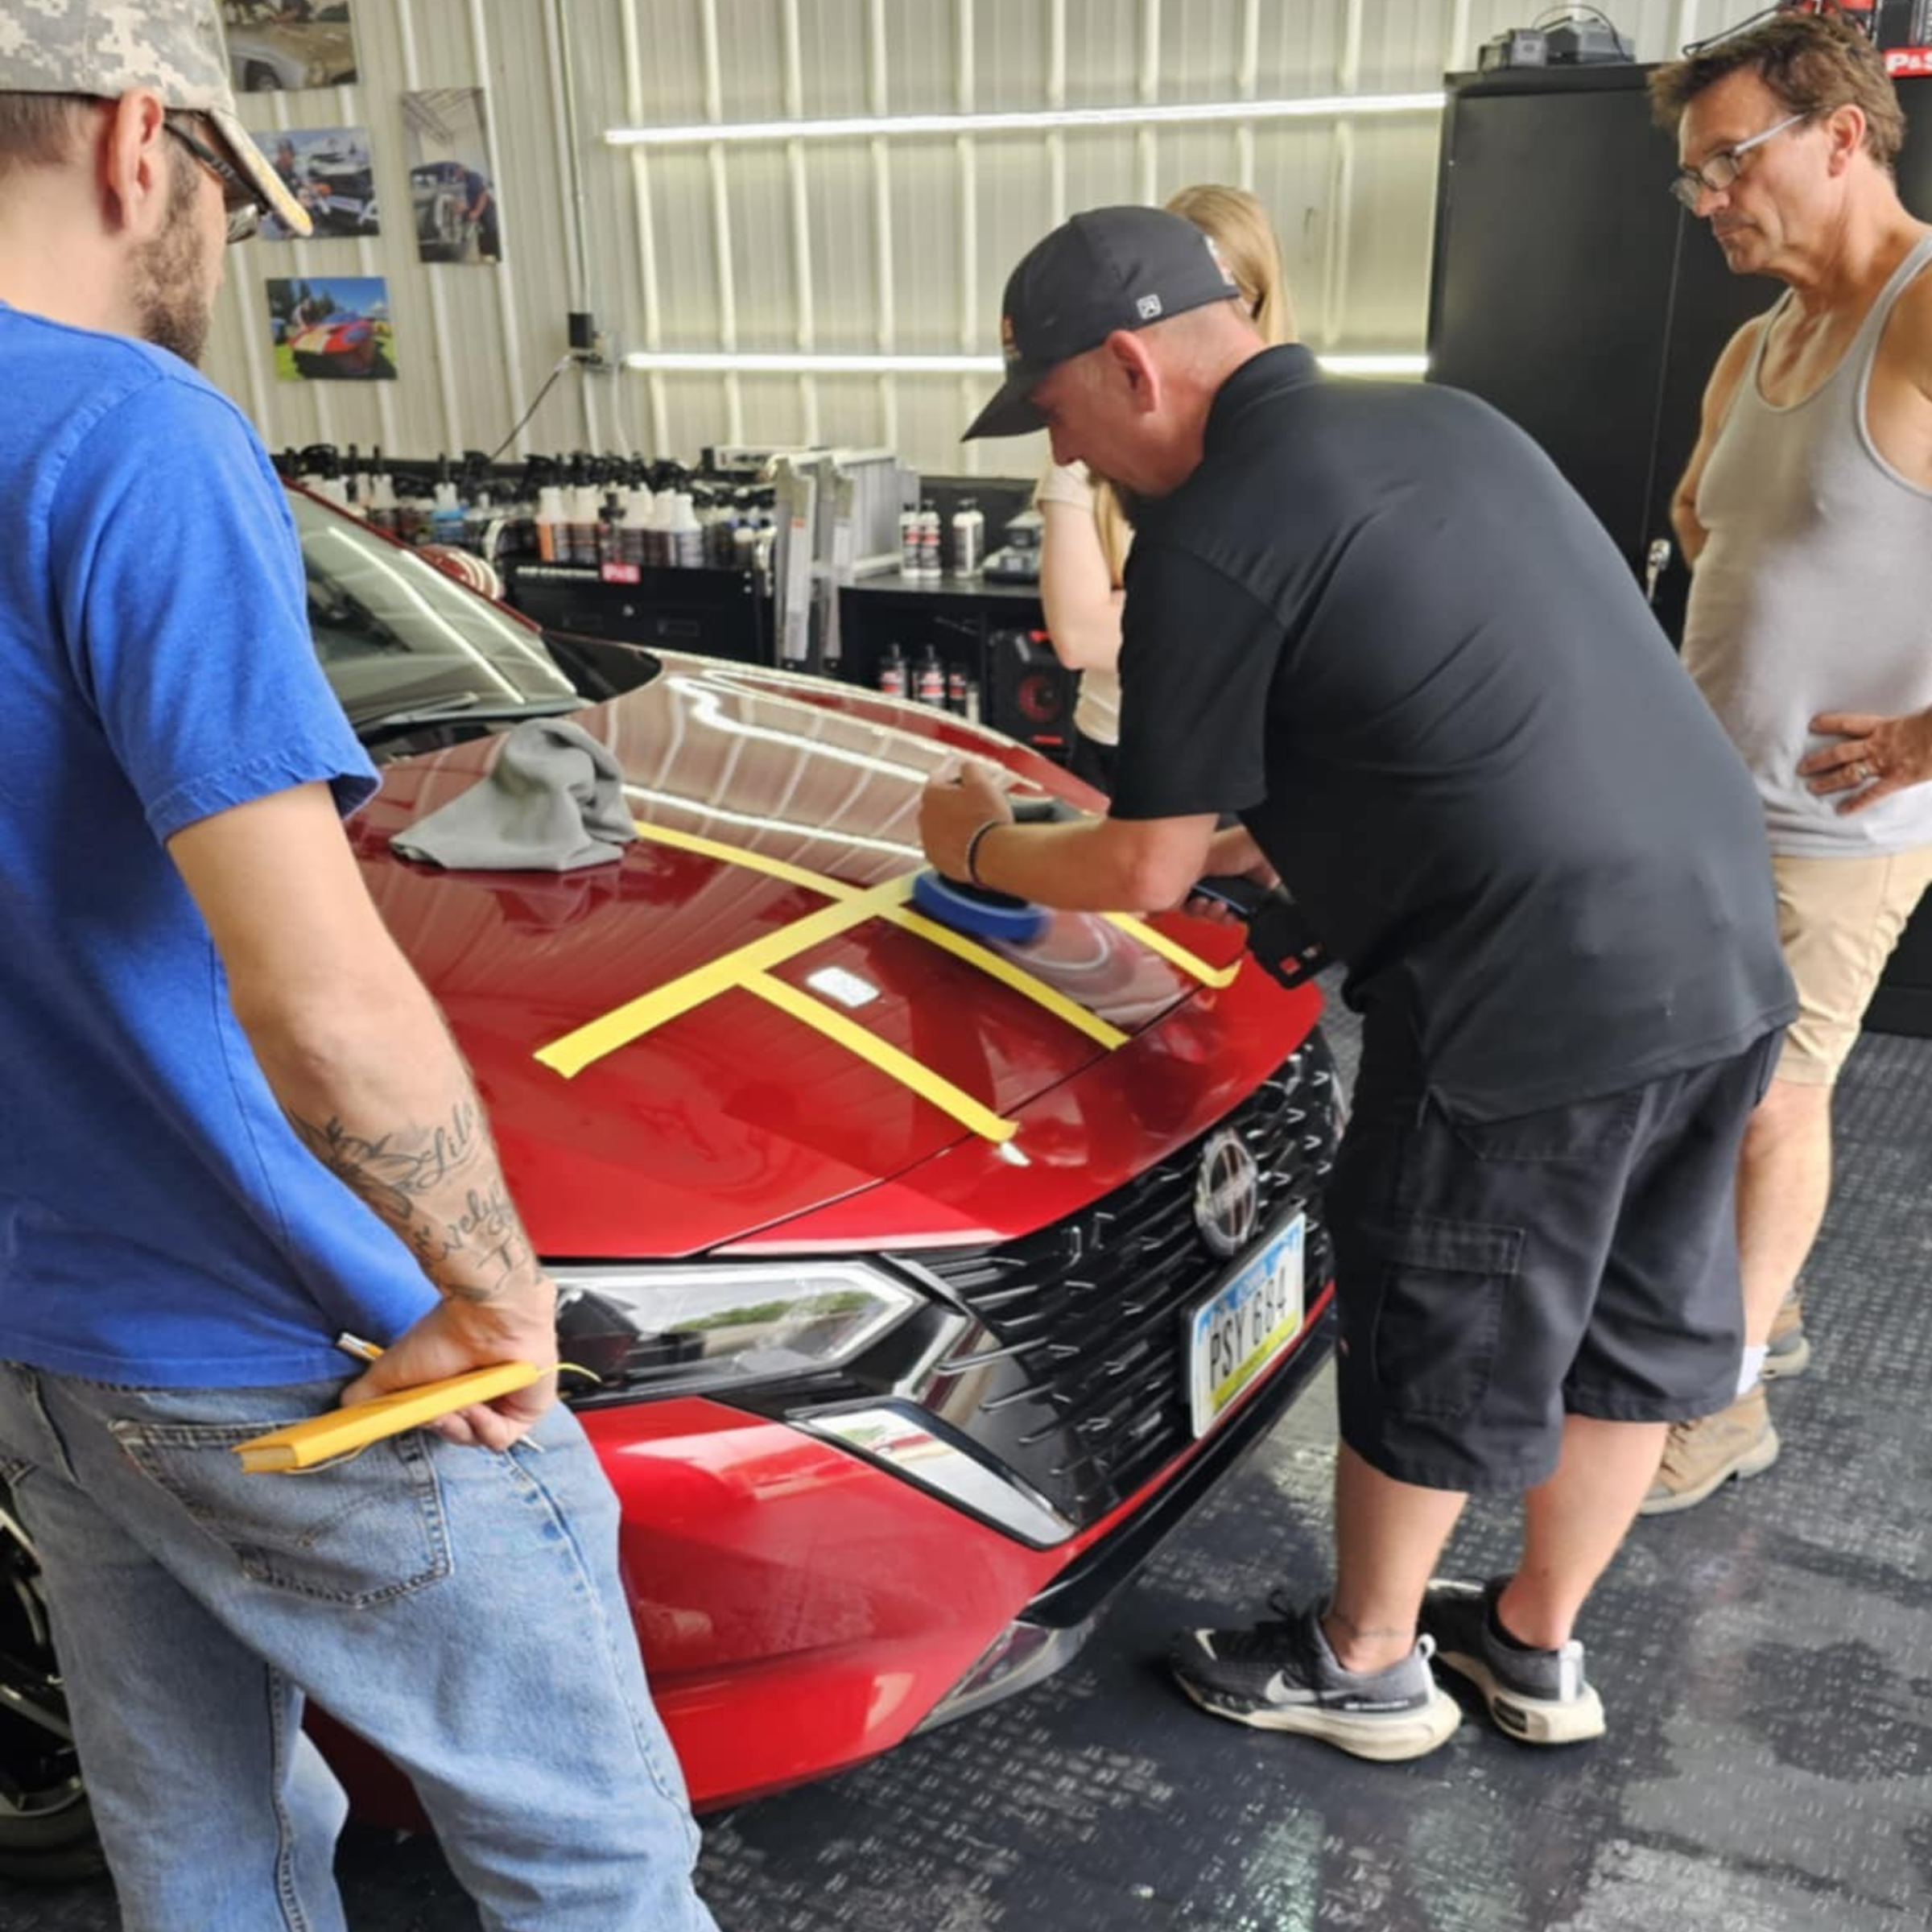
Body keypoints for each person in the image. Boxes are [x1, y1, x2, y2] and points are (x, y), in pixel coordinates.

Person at [0, 7, 716, 1929]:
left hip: (44, 1344)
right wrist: (492, 1292)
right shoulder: (129, 434)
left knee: (201, 1847)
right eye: (232, 200)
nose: (223, 247)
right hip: (281, 1336)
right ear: (138, 142)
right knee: (591, 1860)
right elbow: (318, 998)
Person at [922, 204, 1795, 1761]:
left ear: (1129, 366)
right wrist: (1278, 846)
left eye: (1056, 413)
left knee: (1437, 1311)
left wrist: (983, 845)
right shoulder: (1446, 424)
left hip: (1531, 988)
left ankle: (1366, 1664)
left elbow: (1146, 868)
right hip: (1720, 940)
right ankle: (1534, 1647)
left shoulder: (1213, 531)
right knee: (1632, 1325)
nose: (1067, 454)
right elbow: (1459, 713)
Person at [1640, 15, 1932, 1513]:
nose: (1709, 201)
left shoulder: (1925, 310)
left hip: (1838, 828)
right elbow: (1704, 521)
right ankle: (1776, 1297)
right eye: (1694, 175)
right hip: (1711, 810)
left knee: (1772, 1106)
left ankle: (1722, 1400)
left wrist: (1929, 734)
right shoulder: (1758, 345)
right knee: (1710, 1095)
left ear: (1840, 135)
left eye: (1728, 162)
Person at [1036, 184, 1294, 793]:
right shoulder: (1088, 448)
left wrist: (1132, 608)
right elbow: (1077, 636)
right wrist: (1227, 616)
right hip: (1113, 747)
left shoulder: (1294, 452)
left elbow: (1295, 640)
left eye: (1233, 303)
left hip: (1248, 762)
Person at [463, 162, 501, 262]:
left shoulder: (472, 176)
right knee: (483, 238)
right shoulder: (462, 181)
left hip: (487, 213)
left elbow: (482, 194)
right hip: (480, 216)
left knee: (492, 235)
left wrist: (476, 212)